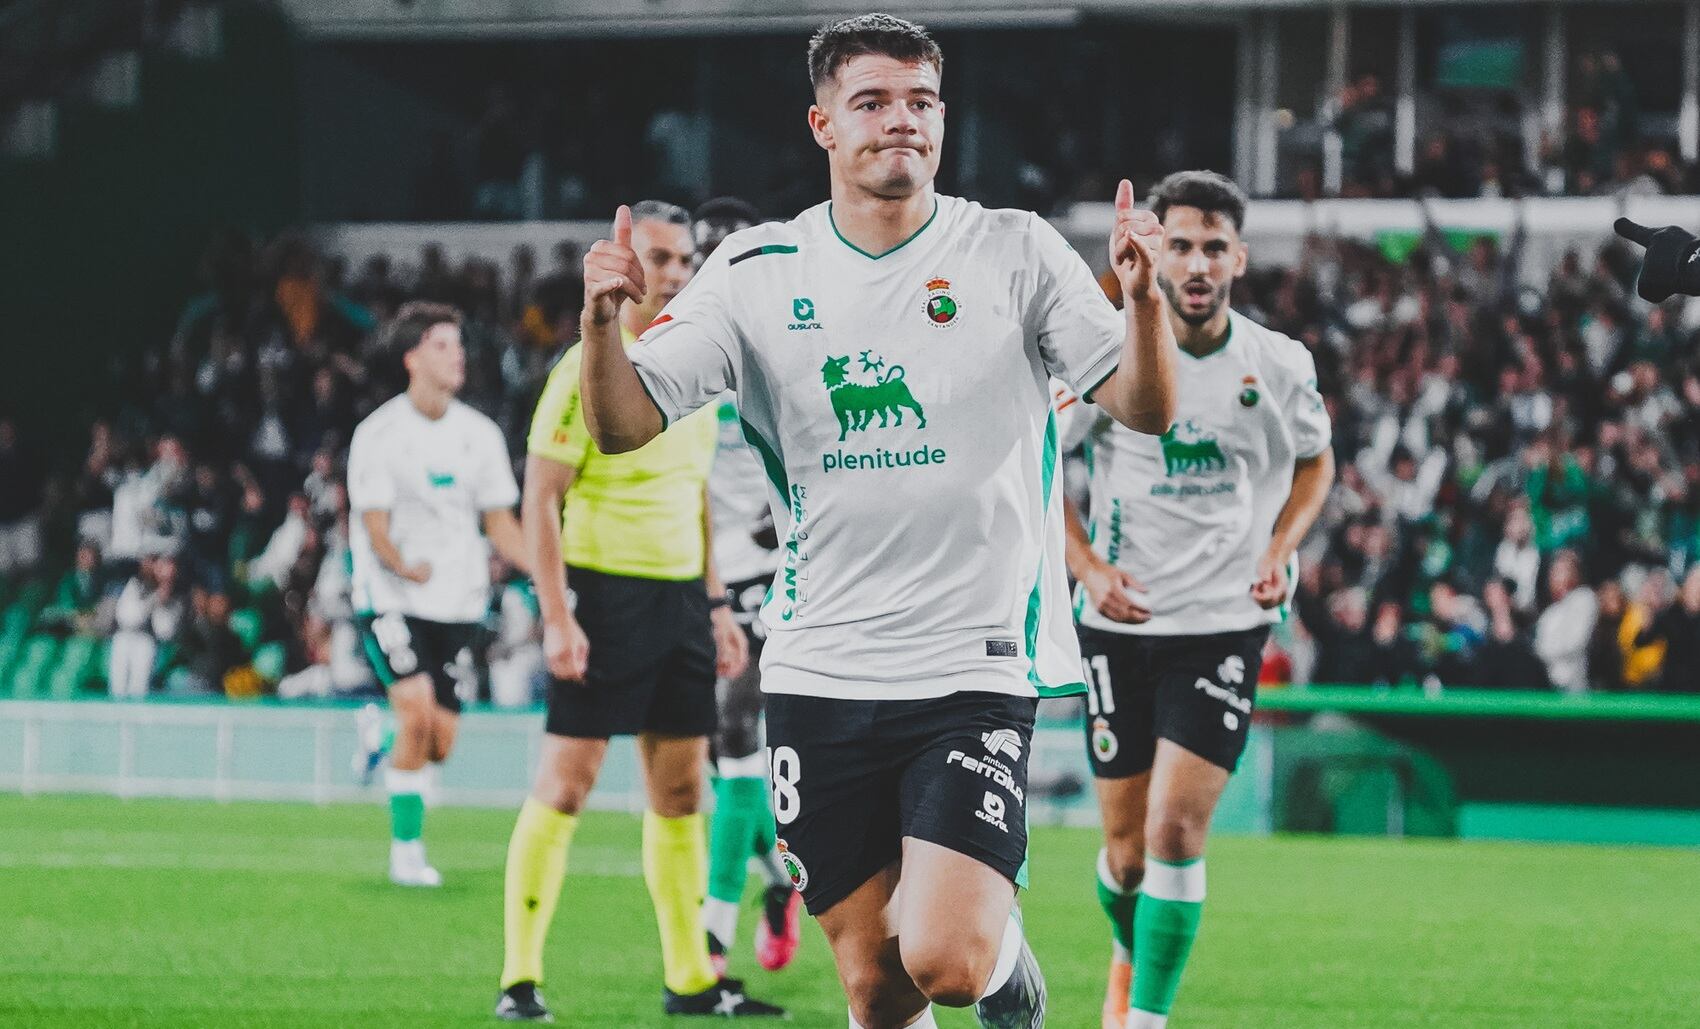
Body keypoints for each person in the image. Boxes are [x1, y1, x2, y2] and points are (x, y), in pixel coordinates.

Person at [573, 14, 1176, 1028]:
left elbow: (1144, 406)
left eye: (921, 102)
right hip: (818, 668)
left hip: (971, 664)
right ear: (821, 123)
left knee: (943, 957)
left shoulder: (1015, 250)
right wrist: (600, 326)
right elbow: (623, 423)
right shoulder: (758, 271)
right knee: (875, 985)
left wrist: (1146, 302)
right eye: (872, 101)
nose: (901, 121)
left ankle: (1004, 967)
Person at [1057, 170, 1333, 1029]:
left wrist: (1282, 547)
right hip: (1118, 625)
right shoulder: (1109, 353)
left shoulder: (1279, 365)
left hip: (1223, 626)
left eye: (1215, 245)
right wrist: (1088, 569)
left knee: (1177, 834)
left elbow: (1318, 463)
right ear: (1154, 251)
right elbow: (1036, 473)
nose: (1198, 261)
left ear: (1240, 258)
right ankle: (1131, 948)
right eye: (1180, 243)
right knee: (1127, 855)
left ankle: (1143, 1017)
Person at [495, 200, 784, 1022]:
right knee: (568, 782)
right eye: (658, 257)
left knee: (682, 790)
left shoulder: (688, 372)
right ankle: (520, 977)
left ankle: (692, 977)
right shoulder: (581, 370)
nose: (674, 273)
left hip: (680, 602)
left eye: (685, 259)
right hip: (603, 591)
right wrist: (556, 615)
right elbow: (539, 502)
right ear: (625, 266)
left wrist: (717, 602)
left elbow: (694, 498)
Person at [346, 300, 527, 887]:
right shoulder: (378, 435)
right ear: (412, 358)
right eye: (444, 345)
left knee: (440, 744)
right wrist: (403, 565)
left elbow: (500, 523)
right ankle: (406, 855)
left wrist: (549, 579)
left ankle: (379, 740)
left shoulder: (480, 435)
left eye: (460, 346)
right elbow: (373, 525)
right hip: (391, 599)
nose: (458, 357)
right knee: (418, 711)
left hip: (457, 606)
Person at [691, 196, 805, 978]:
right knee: (709, 763)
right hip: (697, 574)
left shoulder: (789, 347)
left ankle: (710, 940)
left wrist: (786, 518)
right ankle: (777, 881)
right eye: (706, 248)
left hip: (772, 578)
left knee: (736, 747)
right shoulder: (684, 353)